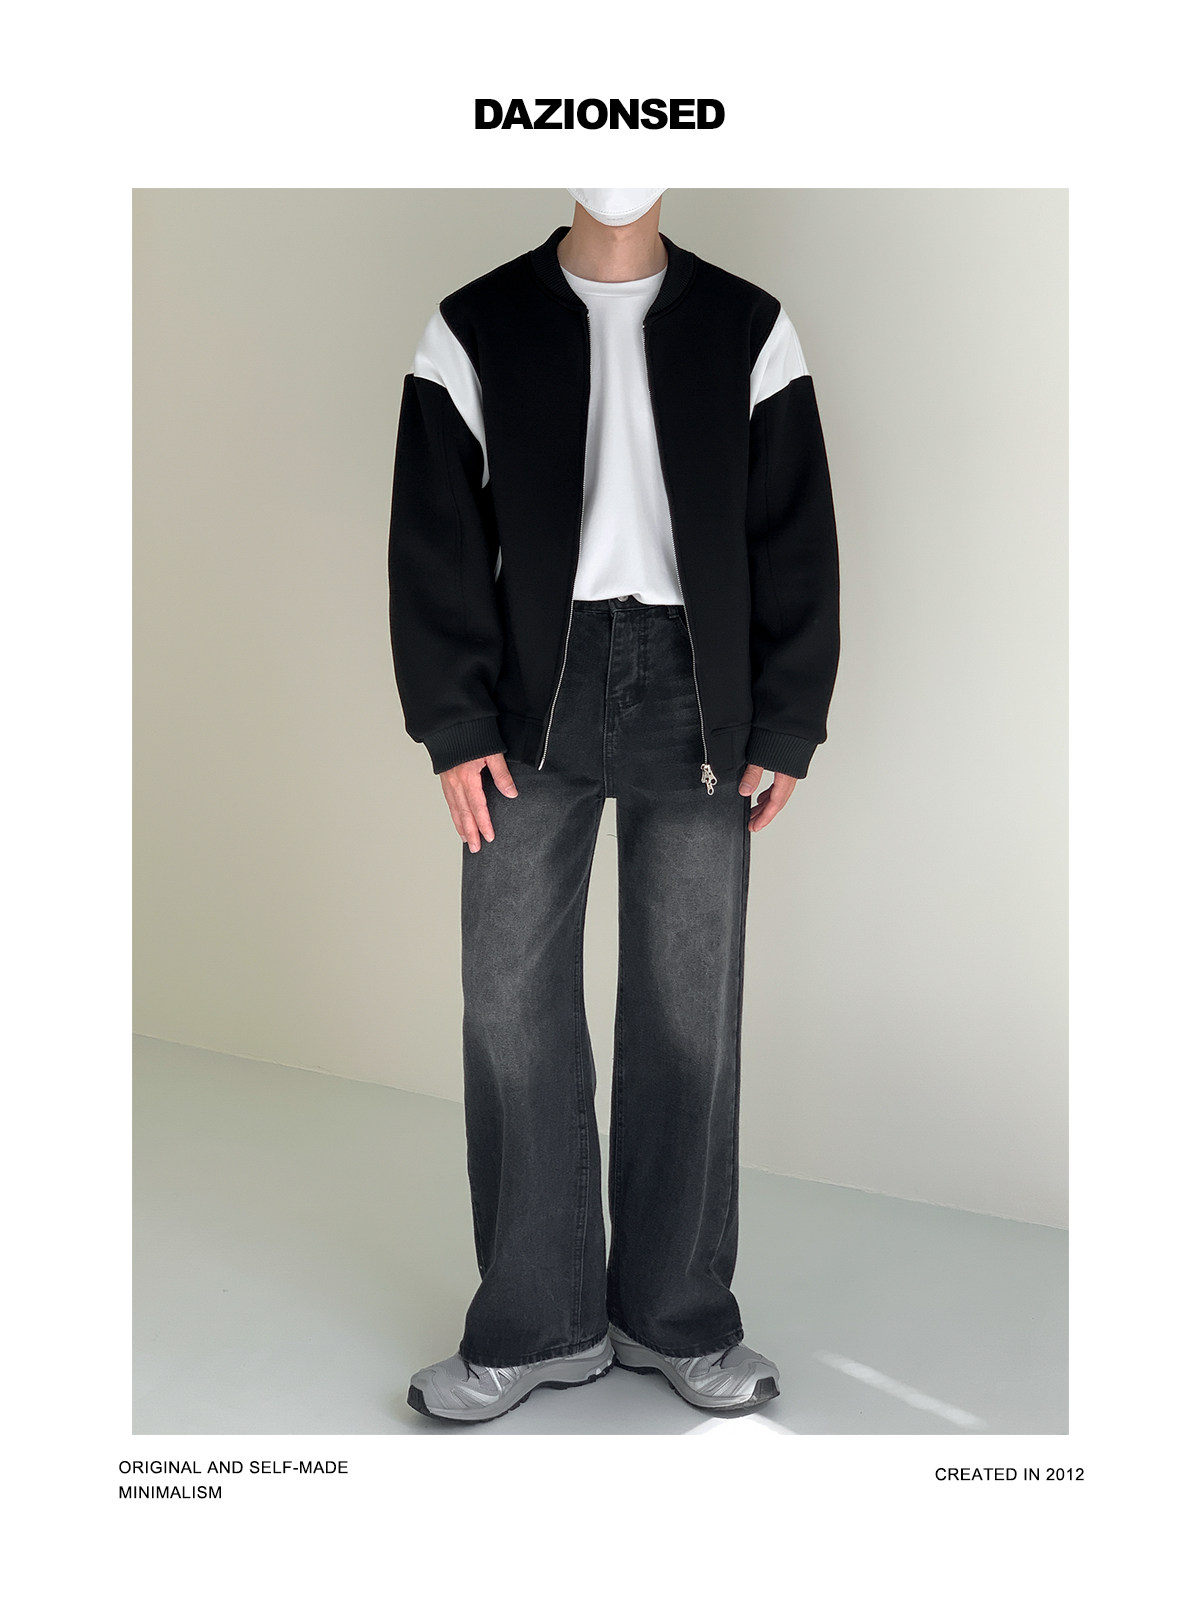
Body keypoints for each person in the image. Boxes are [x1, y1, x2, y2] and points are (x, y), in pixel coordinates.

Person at [388, 188, 840, 1423]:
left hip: (703, 697)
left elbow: (795, 530)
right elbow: (434, 535)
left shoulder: (749, 327)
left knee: (688, 1013)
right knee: (510, 1005)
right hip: (529, 696)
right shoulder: (473, 325)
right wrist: (453, 723)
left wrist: (788, 719)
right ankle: (539, 1324)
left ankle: (676, 1315)